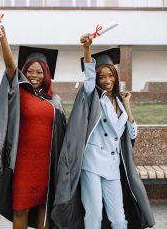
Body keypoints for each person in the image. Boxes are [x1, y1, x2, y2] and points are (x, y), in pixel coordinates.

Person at [51, 34, 155, 228]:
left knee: (118, 218)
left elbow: (132, 135)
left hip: (113, 166)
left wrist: (127, 105)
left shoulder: (120, 102)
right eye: (102, 76)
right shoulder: (93, 98)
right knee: (94, 214)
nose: (106, 80)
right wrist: (87, 49)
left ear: (115, 77)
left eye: (110, 75)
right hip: (92, 163)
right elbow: (88, 78)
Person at [0, 25, 66, 229]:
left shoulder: (55, 100)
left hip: (48, 163)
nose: (34, 75)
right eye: (29, 71)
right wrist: (3, 38)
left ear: (46, 74)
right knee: (21, 208)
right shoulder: (19, 93)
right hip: (23, 163)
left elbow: (62, 133)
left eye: (39, 72)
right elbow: (10, 67)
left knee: (43, 209)